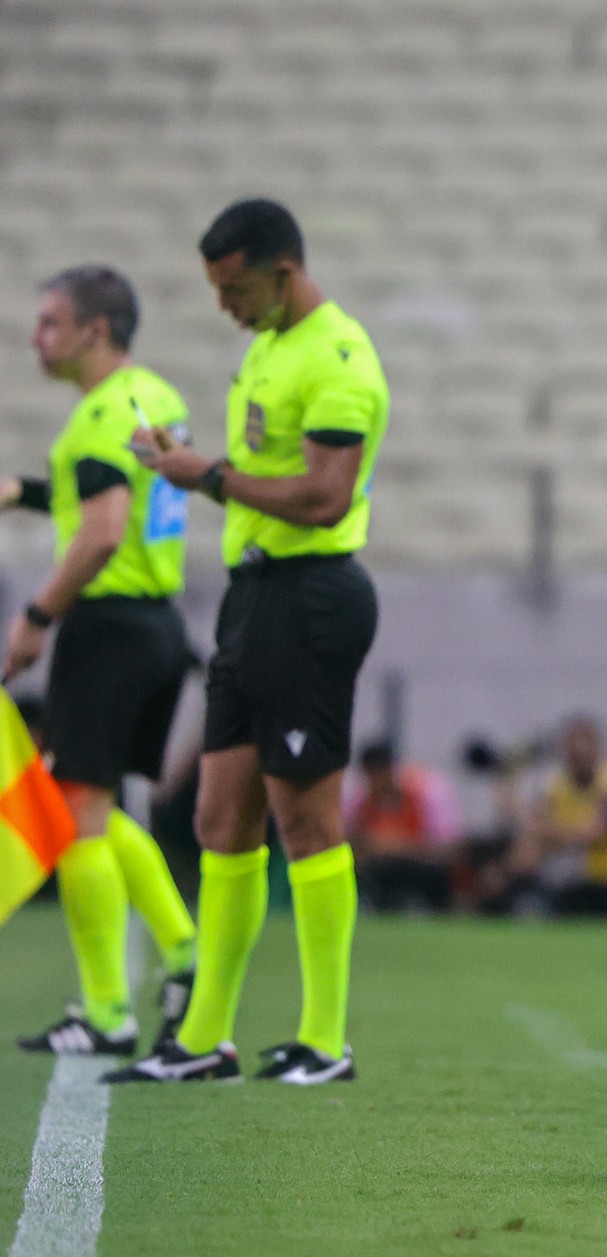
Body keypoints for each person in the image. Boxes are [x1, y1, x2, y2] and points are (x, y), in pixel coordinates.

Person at [107, 198, 388, 1086]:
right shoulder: (267, 348)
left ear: (283, 270)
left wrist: (210, 477)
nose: (226, 306)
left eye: (235, 289)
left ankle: (325, 1039)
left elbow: (325, 499)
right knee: (219, 816)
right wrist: (190, 466)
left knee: (305, 817)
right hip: (254, 596)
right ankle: (205, 1038)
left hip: (311, 596)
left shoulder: (338, 357)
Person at [6, 264, 200, 1057]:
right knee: (89, 803)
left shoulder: (96, 416)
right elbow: (109, 494)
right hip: (157, 625)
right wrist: (21, 490)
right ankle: (183, 953)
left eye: (50, 322)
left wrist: (36, 615)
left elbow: (103, 529)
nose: (35, 337)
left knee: (75, 814)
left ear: (94, 330)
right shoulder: (158, 397)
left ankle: (107, 1010)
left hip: (107, 626)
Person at [492, 716, 607, 916]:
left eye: (584, 746)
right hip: (581, 880)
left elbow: (593, 834)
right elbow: (534, 827)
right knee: (525, 852)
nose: (578, 752)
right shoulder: (557, 785)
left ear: (597, 748)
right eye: (572, 747)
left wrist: (546, 830)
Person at [343, 740, 461, 911]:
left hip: (418, 868)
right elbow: (350, 841)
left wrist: (395, 846)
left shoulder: (425, 794)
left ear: (390, 770)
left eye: (380, 774)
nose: (376, 782)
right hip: (377, 871)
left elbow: (448, 847)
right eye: (371, 776)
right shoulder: (359, 800)